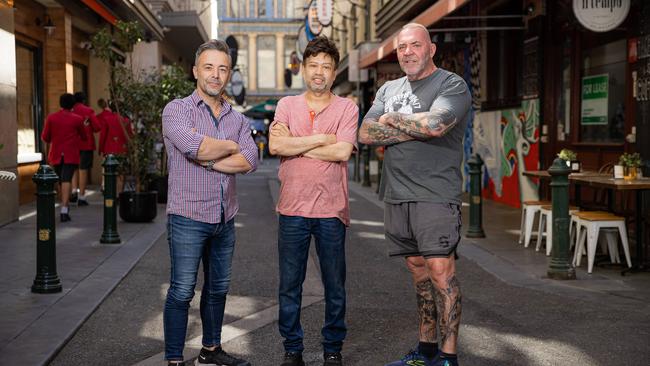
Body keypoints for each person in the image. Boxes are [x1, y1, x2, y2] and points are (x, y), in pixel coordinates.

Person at [358, 23, 471, 366]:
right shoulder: (388, 87)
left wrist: (392, 120)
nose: (407, 52)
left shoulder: (451, 84)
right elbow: (365, 133)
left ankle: (448, 357)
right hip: (397, 195)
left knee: (441, 273)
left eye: (415, 45)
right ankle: (424, 351)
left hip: (435, 194)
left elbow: (436, 126)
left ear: (431, 49)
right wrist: (416, 129)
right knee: (419, 273)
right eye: (402, 47)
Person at [161, 39, 258, 366]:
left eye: (222, 68)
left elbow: (250, 160)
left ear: (229, 73)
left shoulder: (237, 118)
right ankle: (174, 359)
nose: (215, 75)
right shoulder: (177, 109)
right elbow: (191, 145)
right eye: (209, 67)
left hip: (224, 218)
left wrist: (211, 158)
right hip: (187, 216)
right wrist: (228, 147)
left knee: (218, 290)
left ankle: (210, 351)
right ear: (195, 71)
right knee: (182, 290)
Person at [269, 36, 359, 366]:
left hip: (331, 210)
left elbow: (342, 151)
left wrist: (298, 144)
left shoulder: (347, 108)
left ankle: (332, 348)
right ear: (304, 70)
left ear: (334, 72)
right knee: (289, 284)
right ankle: (293, 349)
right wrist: (322, 138)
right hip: (292, 208)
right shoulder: (286, 106)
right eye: (313, 65)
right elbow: (276, 147)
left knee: (335, 284)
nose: (319, 72)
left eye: (326, 66)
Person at [41, 93, 87, 222]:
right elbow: (84, 136)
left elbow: (45, 137)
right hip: (70, 153)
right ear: (72, 104)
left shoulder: (51, 118)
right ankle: (64, 208)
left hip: (56, 153)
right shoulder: (77, 119)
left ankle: (64, 204)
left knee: (61, 180)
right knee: (66, 178)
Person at [71, 91, 102, 206]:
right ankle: (82, 196)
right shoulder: (88, 111)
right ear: (84, 100)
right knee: (83, 170)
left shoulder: (71, 110)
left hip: (73, 143)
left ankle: (74, 190)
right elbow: (97, 127)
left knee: (73, 167)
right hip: (86, 143)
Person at [97, 98, 132, 193]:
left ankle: (110, 193)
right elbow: (130, 136)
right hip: (122, 149)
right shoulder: (126, 120)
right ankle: (119, 194)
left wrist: (100, 149)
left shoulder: (107, 119)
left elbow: (103, 136)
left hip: (109, 150)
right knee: (121, 174)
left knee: (109, 173)